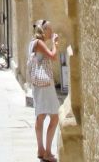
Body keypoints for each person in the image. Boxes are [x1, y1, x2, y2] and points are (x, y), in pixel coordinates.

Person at [28, 19, 60, 162]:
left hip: (38, 84)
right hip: (45, 85)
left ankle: (41, 150)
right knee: (54, 117)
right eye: (49, 29)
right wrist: (55, 44)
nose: (51, 32)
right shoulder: (39, 43)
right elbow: (53, 56)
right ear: (43, 30)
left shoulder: (32, 43)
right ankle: (47, 152)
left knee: (40, 116)